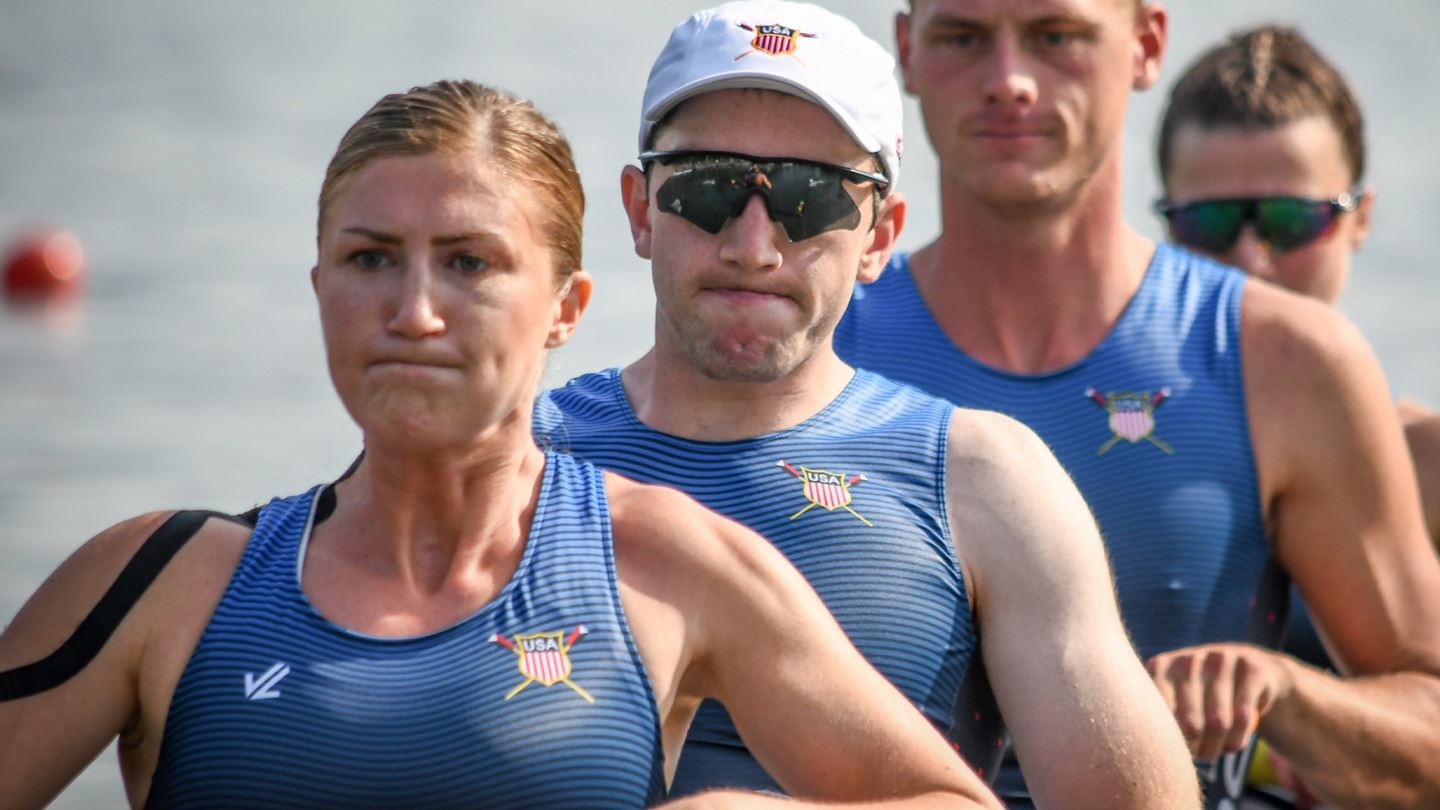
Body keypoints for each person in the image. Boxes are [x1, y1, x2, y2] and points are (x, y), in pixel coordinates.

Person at [0, 79, 1004, 809]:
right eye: (370, 259)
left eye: (470, 262)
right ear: (319, 291)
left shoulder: (662, 561)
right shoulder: (162, 583)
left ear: (564, 309)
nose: (415, 311)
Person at [535, 3, 1198, 808]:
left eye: (811, 199)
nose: (753, 246)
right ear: (642, 208)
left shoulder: (985, 479)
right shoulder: (524, 457)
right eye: (708, 188)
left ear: (881, 236)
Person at [834, 0, 1440, 807]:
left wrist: (1290, 693)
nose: (1009, 80)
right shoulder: (817, 343)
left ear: (1147, 43)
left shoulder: (1288, 361)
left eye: (1057, 36)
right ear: (906, 51)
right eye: (962, 38)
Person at [1156, 24, 1440, 552]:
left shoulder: (1429, 463)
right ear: (1169, 230)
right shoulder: (1119, 448)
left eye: (1290, 221)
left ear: (1361, 219)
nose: (1250, 264)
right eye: (1210, 224)